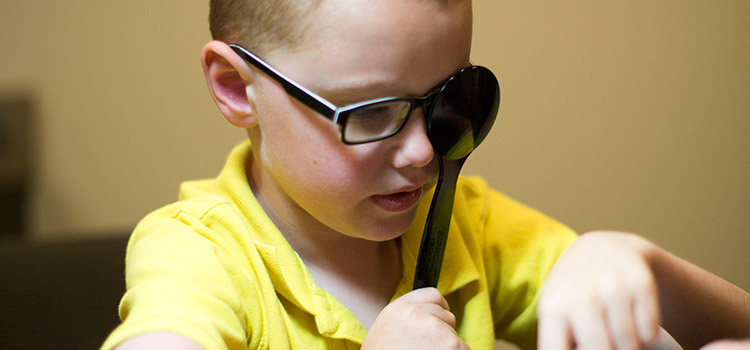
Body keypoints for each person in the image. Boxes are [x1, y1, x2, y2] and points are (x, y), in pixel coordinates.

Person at [101, 0, 750, 349]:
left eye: (446, 99)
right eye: (373, 111)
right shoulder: (198, 258)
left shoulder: (469, 220)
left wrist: (637, 261)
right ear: (236, 88)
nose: (421, 153)